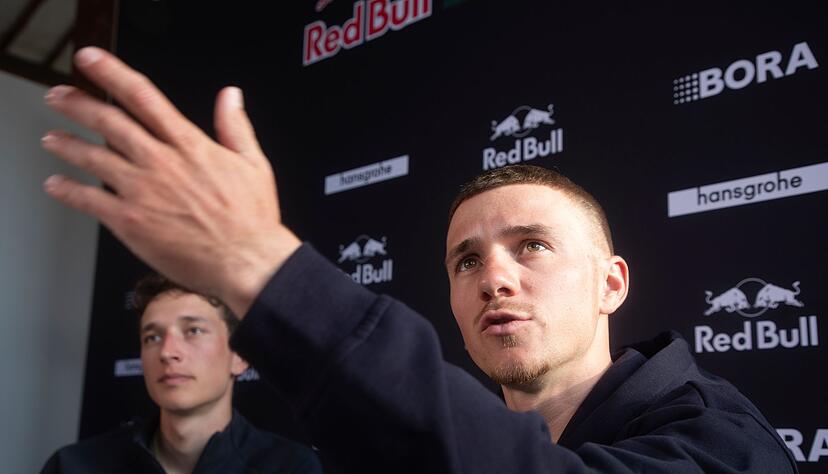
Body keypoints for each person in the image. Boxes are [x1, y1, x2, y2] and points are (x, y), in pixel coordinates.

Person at [40, 46, 798, 473]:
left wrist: (259, 263)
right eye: (466, 261)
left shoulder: (723, 442)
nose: (495, 276)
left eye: (531, 245)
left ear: (611, 282)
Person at [41, 274, 323, 473]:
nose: (167, 352)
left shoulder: (290, 467)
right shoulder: (73, 466)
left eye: (193, 331)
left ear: (240, 357)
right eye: (152, 337)